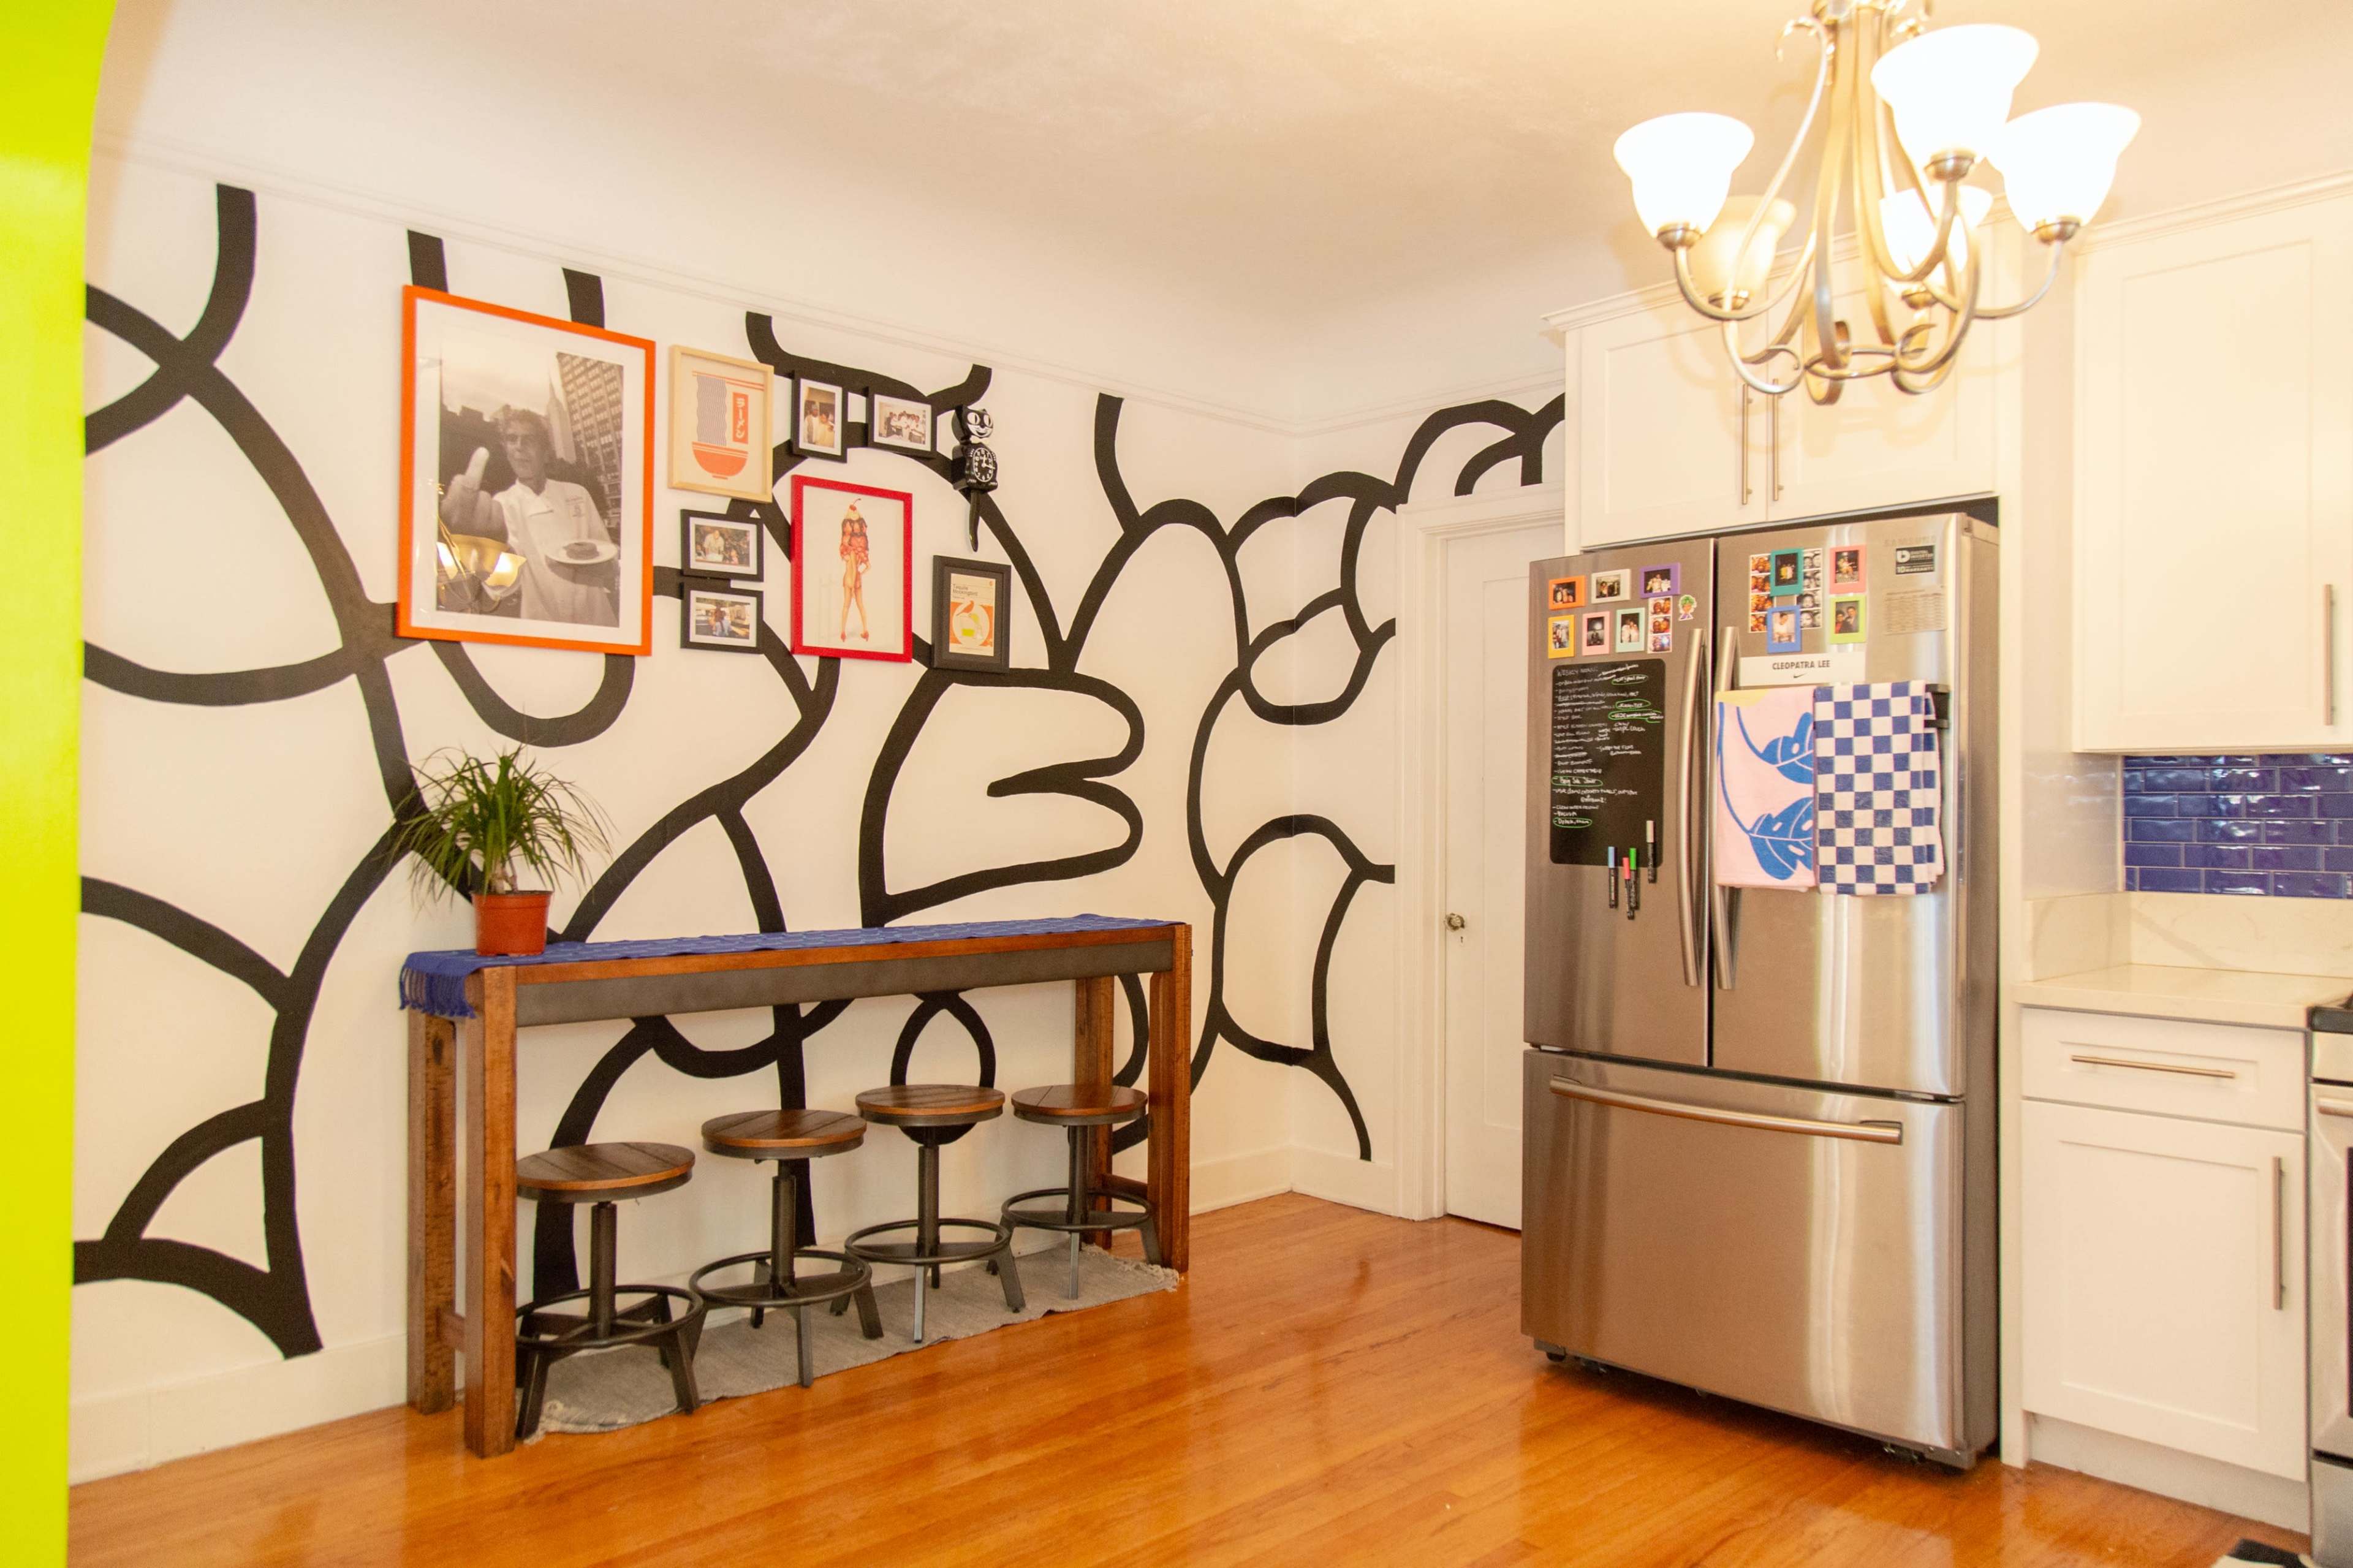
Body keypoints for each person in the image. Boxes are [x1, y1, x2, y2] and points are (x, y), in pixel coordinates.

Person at [440, 407, 616, 626]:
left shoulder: (578, 494)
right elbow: (505, 585)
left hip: (598, 620)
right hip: (543, 625)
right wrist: (486, 553)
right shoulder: (501, 504)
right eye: (512, 439)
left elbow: (608, 560)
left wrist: (599, 568)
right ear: (506, 451)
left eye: (529, 440)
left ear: (546, 453)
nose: (519, 447)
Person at [838, 500, 871, 642]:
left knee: (847, 605)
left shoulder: (851, 550)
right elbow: (868, 566)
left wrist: (852, 588)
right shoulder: (860, 551)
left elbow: (851, 569)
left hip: (850, 579)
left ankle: (843, 631)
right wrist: (860, 574)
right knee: (860, 605)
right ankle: (865, 630)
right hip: (857, 579)